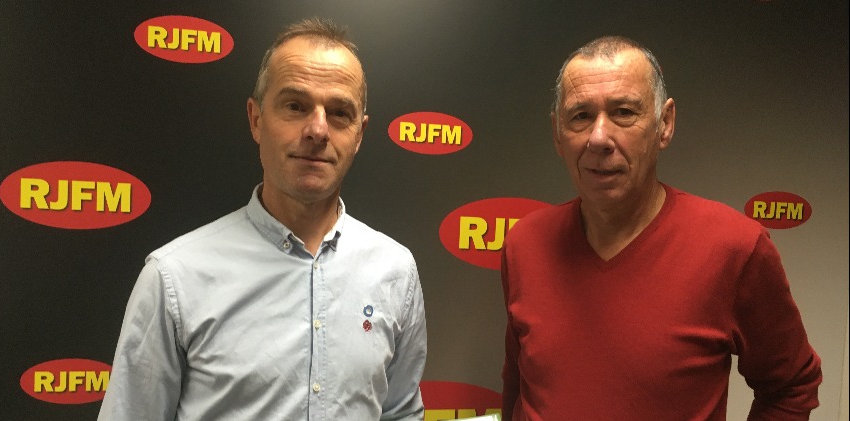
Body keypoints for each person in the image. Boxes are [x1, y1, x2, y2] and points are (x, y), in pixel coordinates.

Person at [98, 17, 427, 420]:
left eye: (339, 112)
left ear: (359, 134)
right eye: (295, 106)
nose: (318, 130)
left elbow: (400, 412)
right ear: (256, 119)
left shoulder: (395, 271)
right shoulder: (174, 279)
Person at [500, 35, 822, 420]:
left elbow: (791, 387)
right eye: (581, 116)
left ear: (664, 124)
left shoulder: (734, 248)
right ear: (558, 133)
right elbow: (519, 382)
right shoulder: (524, 243)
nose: (599, 138)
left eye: (623, 112)